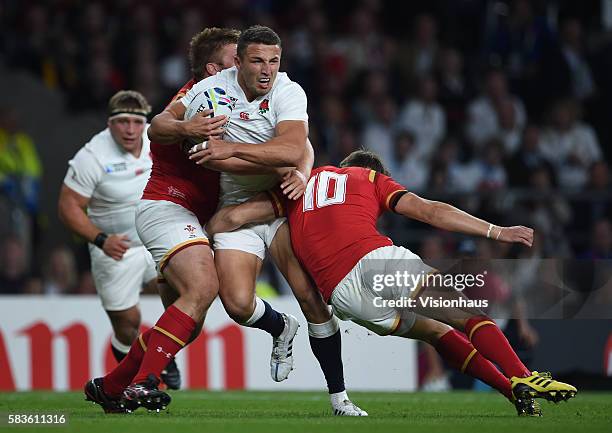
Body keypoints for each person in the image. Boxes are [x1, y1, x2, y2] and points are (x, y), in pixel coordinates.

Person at [206, 150, 578, 417]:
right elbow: (430, 211)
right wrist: (495, 230)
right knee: (467, 315)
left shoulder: (299, 186)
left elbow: (232, 217)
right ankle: (524, 376)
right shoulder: (368, 178)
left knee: (435, 332)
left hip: (343, 297)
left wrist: (204, 241)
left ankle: (513, 393)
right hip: (376, 262)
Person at [153, 25, 365, 416]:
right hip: (238, 201)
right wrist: (185, 128)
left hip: (284, 201)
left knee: (309, 296)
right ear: (238, 63)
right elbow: (160, 127)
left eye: (273, 61)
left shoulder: (288, 90)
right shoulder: (211, 90)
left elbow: (292, 148)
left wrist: (290, 165)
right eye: (257, 61)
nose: (267, 70)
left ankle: (340, 398)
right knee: (235, 304)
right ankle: (280, 327)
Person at [59, 90, 181, 392]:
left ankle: (158, 360)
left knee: (188, 291)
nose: (130, 129)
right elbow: (68, 206)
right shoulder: (93, 156)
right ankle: (137, 377)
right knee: (127, 326)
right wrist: (101, 240)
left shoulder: (157, 142)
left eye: (136, 122)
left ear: (145, 124)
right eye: (122, 122)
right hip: (115, 249)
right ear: (110, 124)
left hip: (157, 237)